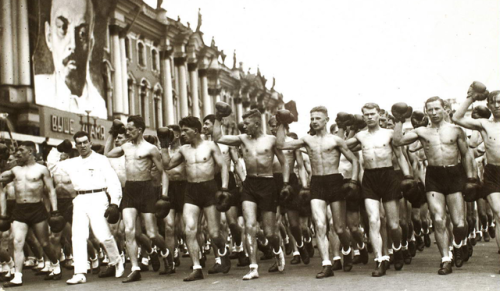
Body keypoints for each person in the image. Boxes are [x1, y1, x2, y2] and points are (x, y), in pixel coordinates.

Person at [276, 107, 360, 278]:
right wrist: (282, 124)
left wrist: (353, 181)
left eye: (318, 118)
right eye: (312, 118)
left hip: (334, 181)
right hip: (317, 183)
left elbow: (354, 160)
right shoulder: (307, 140)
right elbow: (281, 145)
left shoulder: (336, 140)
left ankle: (347, 249)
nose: (314, 121)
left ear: (326, 120)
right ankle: (326, 264)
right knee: (320, 225)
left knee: (339, 228)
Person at [394, 97, 474, 275]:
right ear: (426, 111)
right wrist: (399, 120)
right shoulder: (422, 131)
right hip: (434, 176)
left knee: (459, 224)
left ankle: (458, 244)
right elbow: (398, 141)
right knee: (438, 220)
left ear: (445, 108)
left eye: (437, 109)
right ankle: (446, 259)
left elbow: (466, 154)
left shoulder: (456, 130)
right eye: (430, 110)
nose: (434, 113)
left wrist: (471, 178)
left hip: (454, 174)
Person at [214, 109, 289, 280]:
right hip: (249, 184)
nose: (244, 126)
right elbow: (218, 137)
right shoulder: (242, 139)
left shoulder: (270, 141)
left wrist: (285, 184)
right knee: (249, 226)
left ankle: (277, 250)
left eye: (247, 124)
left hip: (268, 184)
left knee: (270, 233)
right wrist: (219, 117)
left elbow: (284, 163)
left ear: (256, 123)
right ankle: (253, 267)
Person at [345, 103, 412, 277]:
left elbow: (400, 156)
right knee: (374, 220)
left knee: (393, 224)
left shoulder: (389, 134)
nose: (369, 117)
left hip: (388, 176)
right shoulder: (360, 136)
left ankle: (397, 249)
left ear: (379, 115)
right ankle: (380, 259)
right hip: (369, 178)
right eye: (366, 114)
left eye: (372, 114)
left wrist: (407, 177)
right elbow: (342, 146)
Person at [161, 116, 231, 282]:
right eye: (182, 130)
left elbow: (223, 166)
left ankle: (223, 251)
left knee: (214, 233)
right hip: (191, 191)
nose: (183, 134)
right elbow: (168, 165)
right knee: (189, 229)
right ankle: (197, 267)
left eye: (186, 130)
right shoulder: (183, 150)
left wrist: (225, 188)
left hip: (209, 189)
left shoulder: (210, 146)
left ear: (196, 131)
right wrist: (164, 146)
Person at [48, 132, 124, 284]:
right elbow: (53, 166)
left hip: (98, 197)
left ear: (90, 142)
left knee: (102, 235)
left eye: (85, 142)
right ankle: (80, 272)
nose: (82, 146)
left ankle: (116, 260)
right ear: (75, 146)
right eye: (79, 143)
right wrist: (57, 149)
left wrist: (115, 202)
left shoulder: (101, 160)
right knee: (78, 236)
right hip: (80, 199)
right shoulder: (72, 162)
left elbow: (113, 181)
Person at [106, 116, 170, 283]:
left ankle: (166, 254)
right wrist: (112, 133)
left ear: (140, 130)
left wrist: (164, 195)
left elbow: (164, 172)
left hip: (146, 189)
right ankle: (135, 268)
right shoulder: (125, 146)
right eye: (126, 129)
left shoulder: (151, 149)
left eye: (130, 129)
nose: (127, 132)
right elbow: (108, 153)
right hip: (130, 190)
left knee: (152, 233)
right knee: (129, 230)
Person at [0, 141, 61, 287]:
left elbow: (51, 190)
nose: (18, 153)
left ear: (30, 151)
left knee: (45, 243)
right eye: (17, 151)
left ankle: (55, 264)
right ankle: (18, 276)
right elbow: (1, 179)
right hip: (20, 209)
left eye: (21, 150)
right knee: (17, 241)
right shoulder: (15, 170)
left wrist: (54, 210)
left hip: (37, 209)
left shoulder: (42, 169)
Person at [452, 87, 500, 273]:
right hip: (493, 174)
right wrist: (470, 98)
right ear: (488, 105)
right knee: (499, 214)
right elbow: (457, 118)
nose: (497, 106)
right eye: (494, 102)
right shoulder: (484, 124)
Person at [35, 0, 107, 118]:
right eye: (62, 27)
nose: (72, 45)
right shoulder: (40, 90)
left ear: (91, 43)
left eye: (82, 34)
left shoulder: (99, 105)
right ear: (49, 36)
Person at [202, 115, 248, 269]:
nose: (206, 127)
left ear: (218, 124)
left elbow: (236, 162)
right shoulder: (203, 144)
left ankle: (239, 248)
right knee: (216, 224)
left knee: (232, 222)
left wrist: (245, 182)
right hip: (210, 183)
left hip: (228, 181)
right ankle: (219, 259)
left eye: (209, 124)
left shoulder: (226, 143)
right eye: (205, 124)